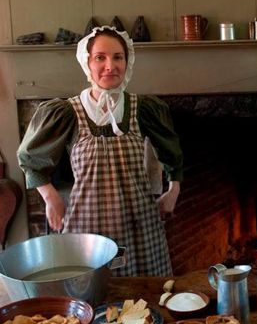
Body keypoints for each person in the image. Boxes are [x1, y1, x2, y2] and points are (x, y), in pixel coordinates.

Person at [17, 26, 183, 276]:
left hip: (140, 226)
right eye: (100, 57)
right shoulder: (68, 112)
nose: (110, 65)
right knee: (93, 298)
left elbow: (171, 150)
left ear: (128, 62)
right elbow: (30, 157)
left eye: (118, 57)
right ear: (87, 62)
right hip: (87, 229)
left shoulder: (143, 108)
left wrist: (174, 189)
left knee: (145, 298)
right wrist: (51, 198)